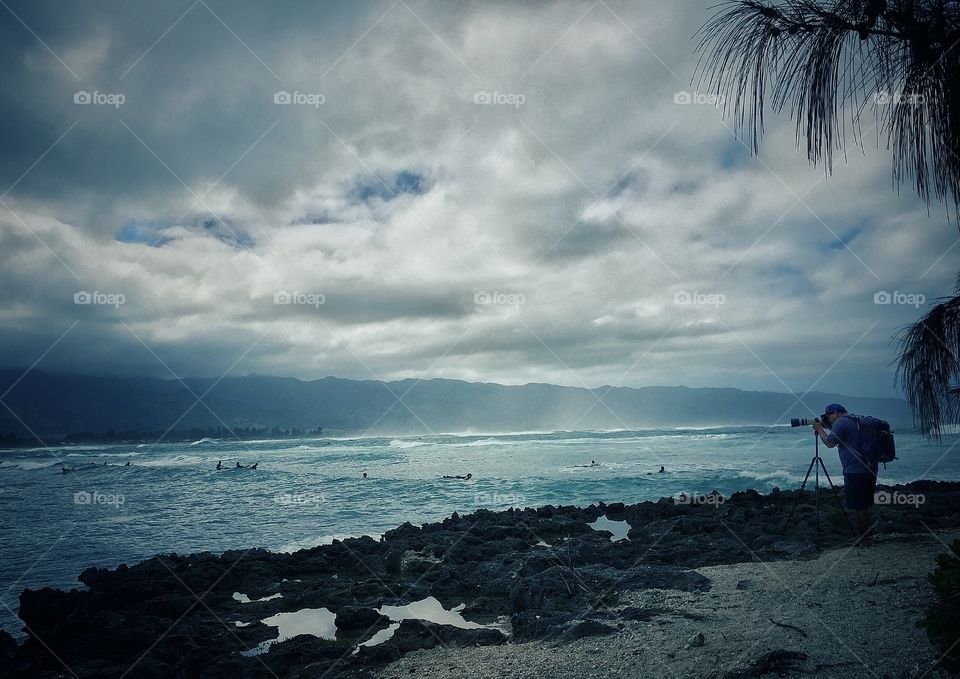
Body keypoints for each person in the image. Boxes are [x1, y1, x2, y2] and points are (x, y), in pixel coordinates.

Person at [812, 403, 879, 545]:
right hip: (871, 468)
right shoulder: (856, 419)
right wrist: (825, 427)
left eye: (829, 416)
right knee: (865, 504)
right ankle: (866, 536)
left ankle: (862, 539)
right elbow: (844, 435)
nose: (828, 420)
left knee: (858, 506)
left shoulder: (841, 423)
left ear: (836, 413)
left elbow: (829, 443)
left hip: (854, 470)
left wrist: (819, 429)